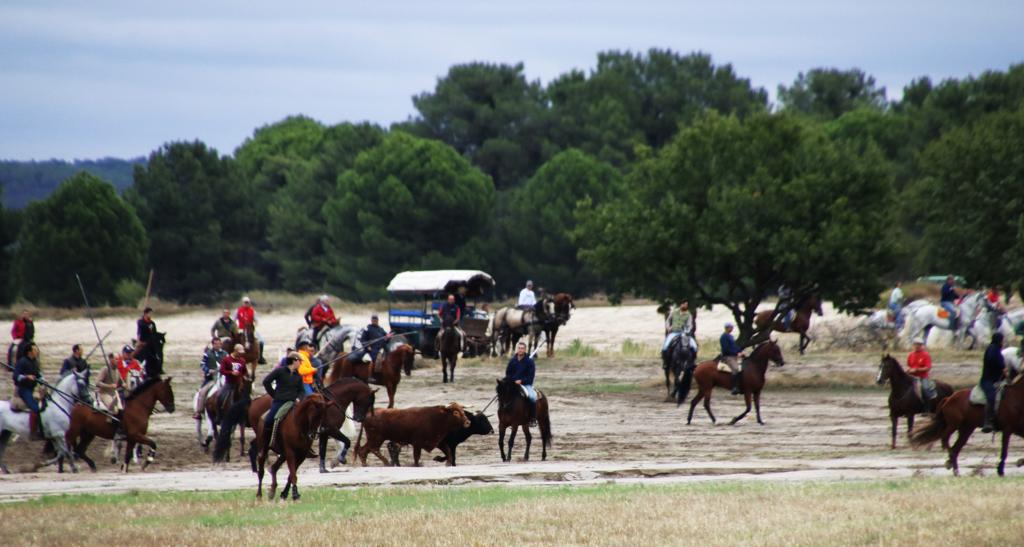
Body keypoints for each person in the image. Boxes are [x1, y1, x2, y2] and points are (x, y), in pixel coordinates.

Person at [260, 352, 305, 450]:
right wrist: (274, 394)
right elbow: (266, 381)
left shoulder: (299, 376)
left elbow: (302, 390)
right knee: (268, 420)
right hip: (280, 402)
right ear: (294, 360)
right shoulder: (280, 371)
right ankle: (267, 442)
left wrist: (299, 398)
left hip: (293, 402)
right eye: (300, 361)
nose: (301, 363)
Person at [12, 344, 45, 440]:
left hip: (33, 388)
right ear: (29, 352)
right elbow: (15, 376)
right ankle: (33, 432)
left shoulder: (35, 362)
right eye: (35, 350)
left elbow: (38, 374)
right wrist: (26, 376)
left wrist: (43, 380)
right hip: (23, 389)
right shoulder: (22, 362)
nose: (37, 352)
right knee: (35, 408)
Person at [194, 338, 228, 419]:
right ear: (213, 344)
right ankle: (199, 411)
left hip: (224, 378)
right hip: (211, 379)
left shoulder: (225, 354)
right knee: (202, 392)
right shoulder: (208, 354)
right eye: (216, 344)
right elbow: (202, 364)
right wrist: (209, 370)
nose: (218, 345)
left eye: (219, 344)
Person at [505, 341, 537, 423]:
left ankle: (532, 418)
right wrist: (512, 381)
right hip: (512, 384)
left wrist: (521, 381)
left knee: (532, 397)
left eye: (522, 348)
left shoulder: (530, 362)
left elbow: (531, 377)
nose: (520, 350)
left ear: (525, 350)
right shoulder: (512, 361)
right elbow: (508, 374)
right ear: (517, 349)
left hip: (526, 384)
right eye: (519, 348)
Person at [981, 332, 1006, 433]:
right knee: (991, 397)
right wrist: (1002, 367)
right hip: (988, 380)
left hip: (997, 379)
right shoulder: (992, 349)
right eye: (1002, 340)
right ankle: (987, 421)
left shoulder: (997, 349)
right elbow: (992, 361)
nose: (1003, 342)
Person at [235, 296, 266, 364]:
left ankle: (260, 357)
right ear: (242, 303)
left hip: (250, 329)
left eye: (247, 302)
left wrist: (253, 327)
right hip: (241, 329)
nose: (246, 304)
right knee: (234, 340)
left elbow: (256, 321)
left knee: (261, 341)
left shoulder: (252, 311)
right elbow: (234, 320)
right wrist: (236, 327)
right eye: (245, 302)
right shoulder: (238, 310)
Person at [217, 344, 248, 409]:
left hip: (240, 384)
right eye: (239, 353)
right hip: (229, 383)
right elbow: (222, 371)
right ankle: (219, 411)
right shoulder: (226, 359)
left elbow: (245, 371)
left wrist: (244, 376)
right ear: (235, 351)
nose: (241, 354)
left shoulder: (242, 360)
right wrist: (231, 373)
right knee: (221, 396)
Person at [906, 338, 935, 404]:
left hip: (923, 376)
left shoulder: (926, 355)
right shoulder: (911, 355)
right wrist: (908, 370)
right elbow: (909, 366)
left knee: (925, 389)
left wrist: (917, 370)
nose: (916, 346)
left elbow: (928, 368)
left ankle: (928, 406)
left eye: (918, 344)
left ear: (921, 345)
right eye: (915, 344)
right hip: (912, 376)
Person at [720, 323, 744, 395]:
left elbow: (734, 346)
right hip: (728, 356)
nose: (732, 329)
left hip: (734, 355)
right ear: (727, 328)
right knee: (735, 368)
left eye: (732, 327)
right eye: (731, 327)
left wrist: (740, 351)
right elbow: (726, 349)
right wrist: (736, 353)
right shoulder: (724, 337)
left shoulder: (730, 336)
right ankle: (734, 387)